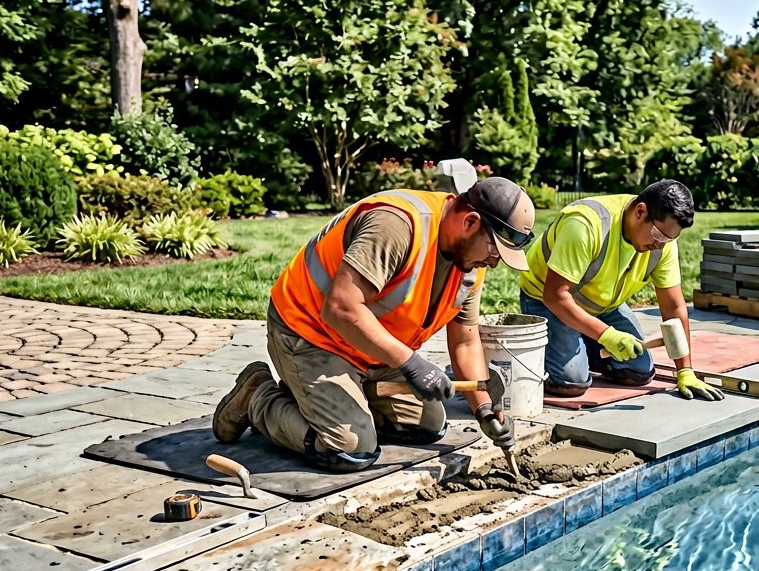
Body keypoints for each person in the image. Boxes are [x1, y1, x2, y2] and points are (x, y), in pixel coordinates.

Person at [212, 177, 536, 471]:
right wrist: (410, 363)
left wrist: (484, 410)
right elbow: (340, 307)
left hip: (369, 349)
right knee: (350, 449)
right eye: (495, 249)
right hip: (310, 334)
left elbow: (465, 342)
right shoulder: (397, 225)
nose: (494, 262)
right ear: (470, 222)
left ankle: (346, 396)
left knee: (429, 426)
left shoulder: (470, 263)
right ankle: (257, 396)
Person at [518, 179, 723, 401]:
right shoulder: (585, 224)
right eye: (660, 236)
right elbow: (555, 295)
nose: (661, 245)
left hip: (603, 306)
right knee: (570, 382)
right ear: (640, 212)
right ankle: (548, 351)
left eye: (670, 238)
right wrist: (606, 335)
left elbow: (673, 306)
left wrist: (685, 370)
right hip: (547, 301)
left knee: (639, 371)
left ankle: (584, 340)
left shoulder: (662, 243)